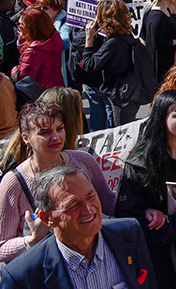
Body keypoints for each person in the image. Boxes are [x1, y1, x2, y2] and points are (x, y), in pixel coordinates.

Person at [0, 165, 156, 289]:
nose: (89, 209)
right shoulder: (22, 276)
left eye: (91, 196)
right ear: (48, 218)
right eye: (73, 204)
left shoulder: (129, 234)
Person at [0, 103, 117, 263]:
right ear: (26, 138)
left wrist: (146, 203)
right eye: (45, 132)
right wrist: (32, 240)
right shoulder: (14, 183)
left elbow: (111, 203)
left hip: (92, 259)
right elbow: (2, 247)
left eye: (60, 128)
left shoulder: (84, 161)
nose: (56, 137)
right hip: (47, 270)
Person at [116, 90, 176, 289]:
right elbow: (129, 218)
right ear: (161, 118)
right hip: (164, 257)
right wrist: (147, 212)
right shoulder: (140, 163)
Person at [79, 0, 141, 127]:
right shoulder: (126, 35)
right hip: (128, 91)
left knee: (121, 131)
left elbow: (90, 65)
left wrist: (89, 40)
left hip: (120, 95)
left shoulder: (113, 43)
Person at [12, 6, 65, 90]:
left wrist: (15, 70)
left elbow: (24, 80)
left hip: (38, 96)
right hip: (55, 91)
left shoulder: (33, 51)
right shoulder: (52, 39)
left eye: (21, 24)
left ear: (31, 27)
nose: (18, 26)